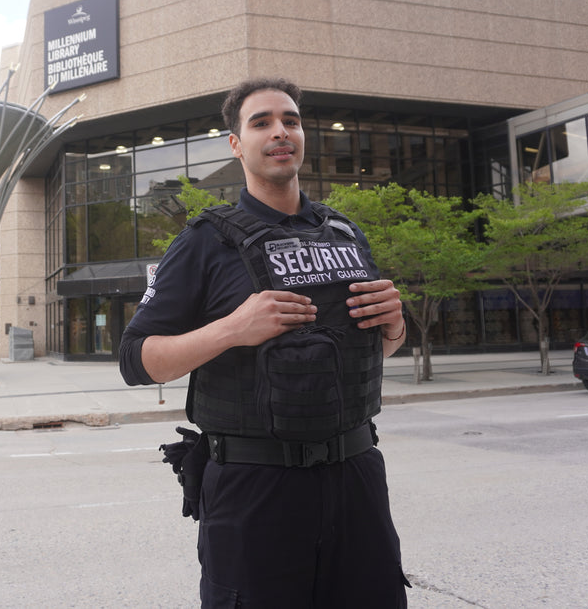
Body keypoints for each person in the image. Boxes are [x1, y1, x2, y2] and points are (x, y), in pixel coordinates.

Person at [119, 78, 410, 607]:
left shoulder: (343, 233)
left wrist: (394, 326)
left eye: (291, 120)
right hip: (256, 486)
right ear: (236, 143)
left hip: (357, 476)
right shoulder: (203, 241)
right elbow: (137, 361)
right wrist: (233, 328)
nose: (281, 132)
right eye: (262, 123)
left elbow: (364, 352)